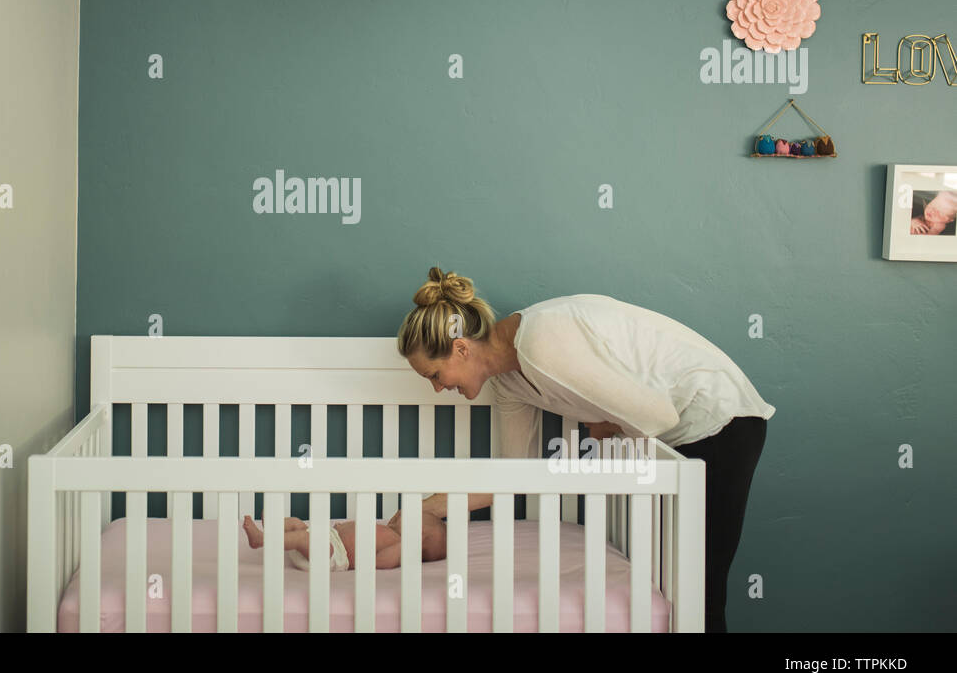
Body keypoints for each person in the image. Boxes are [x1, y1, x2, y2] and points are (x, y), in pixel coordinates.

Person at [392, 266, 774, 633]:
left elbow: (659, 414)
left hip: (720, 419)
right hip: (679, 443)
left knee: (700, 593)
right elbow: (513, 475)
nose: (438, 389)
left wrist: (609, 424)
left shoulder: (541, 342)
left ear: (460, 349)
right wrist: (426, 507)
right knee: (672, 589)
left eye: (435, 376)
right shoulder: (507, 382)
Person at [240, 511, 447, 570]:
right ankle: (277, 527)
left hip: (332, 556)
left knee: (303, 538)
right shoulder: (389, 530)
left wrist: (404, 546)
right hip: (329, 537)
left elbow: (380, 562)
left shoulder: (398, 546)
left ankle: (262, 539)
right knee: (298, 524)